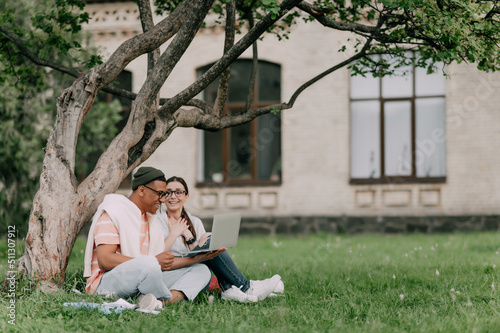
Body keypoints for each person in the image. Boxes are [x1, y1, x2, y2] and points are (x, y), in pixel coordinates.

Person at [83, 167, 224, 310]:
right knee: (149, 264)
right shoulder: (114, 212)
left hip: (144, 275)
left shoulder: (151, 220)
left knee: (201, 270)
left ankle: (157, 304)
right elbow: (105, 260)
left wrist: (198, 258)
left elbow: (159, 264)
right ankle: (160, 296)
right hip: (108, 282)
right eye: (160, 194)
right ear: (142, 190)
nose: (163, 200)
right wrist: (154, 262)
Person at [157, 176, 284, 303]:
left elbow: (199, 255)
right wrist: (174, 233)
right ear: (163, 197)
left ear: (186, 196)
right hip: (174, 275)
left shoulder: (195, 222)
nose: (173, 196)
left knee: (209, 239)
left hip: (196, 273)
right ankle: (242, 287)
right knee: (206, 257)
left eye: (178, 192)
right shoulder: (157, 221)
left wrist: (189, 237)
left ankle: (232, 288)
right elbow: (157, 256)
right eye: (168, 192)